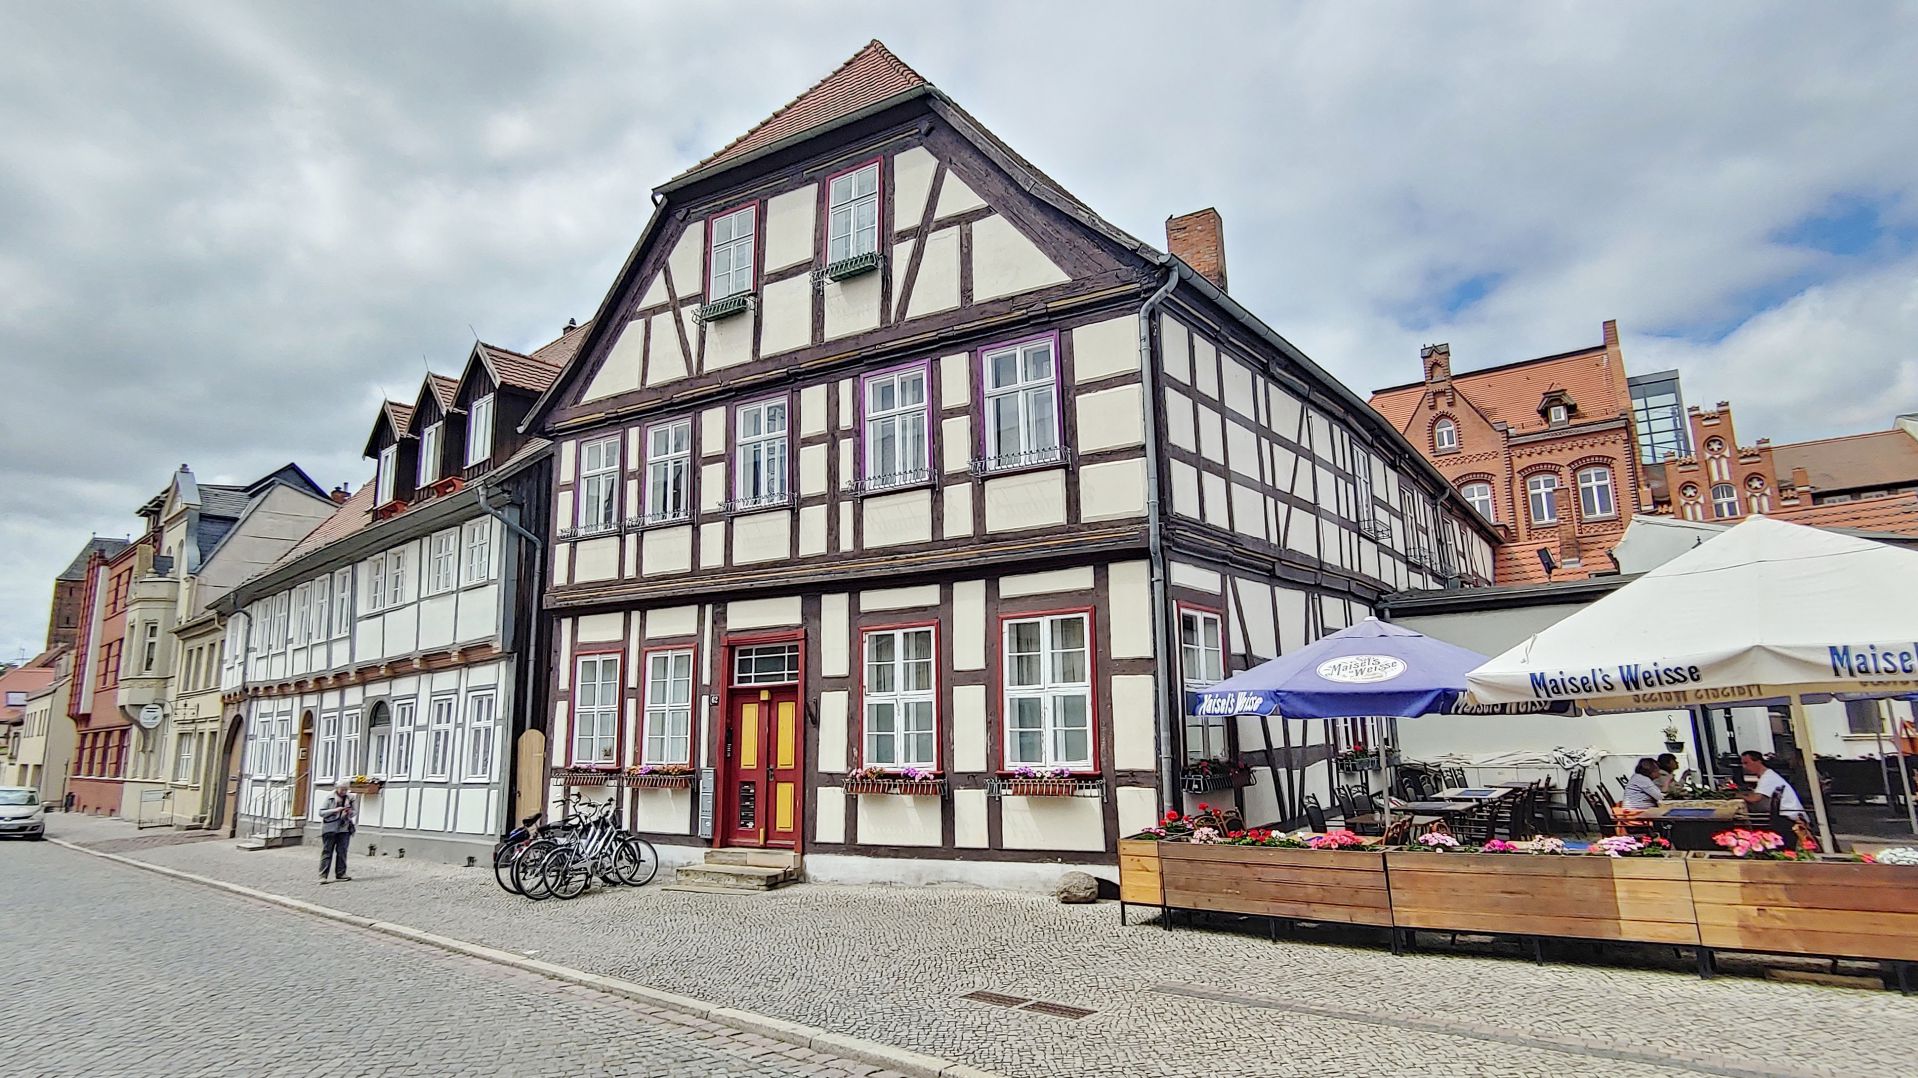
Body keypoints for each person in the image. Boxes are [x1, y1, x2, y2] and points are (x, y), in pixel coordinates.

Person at [1737, 749, 1807, 822]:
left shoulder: (1768, 777)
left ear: (1758, 762)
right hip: (1786, 815)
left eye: (1746, 763)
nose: (1744, 766)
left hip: (1789, 817)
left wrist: (1738, 795)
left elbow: (1755, 799)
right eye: (1742, 763)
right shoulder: (1768, 775)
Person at [318, 782, 355, 883]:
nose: (344, 791)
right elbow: (321, 812)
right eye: (342, 789)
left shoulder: (350, 798)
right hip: (330, 828)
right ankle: (323, 875)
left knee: (342, 852)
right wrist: (335, 810)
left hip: (344, 828)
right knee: (327, 852)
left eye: (346, 789)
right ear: (337, 788)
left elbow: (354, 812)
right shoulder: (330, 798)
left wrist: (350, 812)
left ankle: (341, 874)